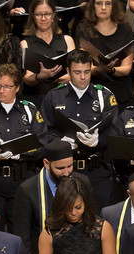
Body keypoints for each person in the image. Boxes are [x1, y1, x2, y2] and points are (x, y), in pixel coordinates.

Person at [0, 63, 50, 232]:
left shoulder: (29, 109)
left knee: (21, 233)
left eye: (7, 86)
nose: (1, 90)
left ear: (18, 87)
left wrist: (19, 155)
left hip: (21, 180)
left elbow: (42, 145)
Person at [40, 49, 119, 209]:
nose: (83, 77)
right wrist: (60, 143)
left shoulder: (104, 95)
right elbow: (43, 132)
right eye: (77, 72)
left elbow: (117, 131)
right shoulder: (54, 96)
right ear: (68, 71)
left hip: (97, 169)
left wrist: (99, 140)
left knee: (99, 220)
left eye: (87, 72)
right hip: (65, 172)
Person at [14, 140, 91, 254]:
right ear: (46, 163)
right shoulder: (27, 190)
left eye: (70, 166)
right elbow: (23, 240)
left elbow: (91, 222)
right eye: (60, 168)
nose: (67, 173)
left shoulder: (82, 181)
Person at [75, 0, 134, 107]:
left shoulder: (125, 29)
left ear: (114, 6)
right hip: (92, 87)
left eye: (108, 3)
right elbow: (83, 65)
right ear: (93, 5)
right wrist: (97, 69)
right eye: (99, 3)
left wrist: (112, 70)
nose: (103, 7)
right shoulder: (83, 28)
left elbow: (126, 68)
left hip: (120, 88)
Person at [19, 0, 76, 105]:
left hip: (66, 97)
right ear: (33, 16)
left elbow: (75, 73)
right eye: (39, 14)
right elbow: (27, 78)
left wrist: (53, 76)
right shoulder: (25, 44)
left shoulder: (67, 40)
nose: (43, 18)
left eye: (47, 14)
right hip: (39, 97)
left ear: (54, 15)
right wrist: (40, 77)